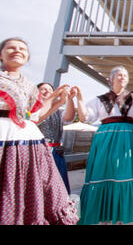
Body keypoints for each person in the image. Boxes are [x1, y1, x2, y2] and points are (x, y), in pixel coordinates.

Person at [0, 37, 78, 225]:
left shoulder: (29, 86)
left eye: (22, 49)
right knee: (7, 189)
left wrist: (57, 100)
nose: (17, 51)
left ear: (27, 58)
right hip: (5, 138)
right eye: (10, 48)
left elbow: (33, 117)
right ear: (1, 55)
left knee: (34, 189)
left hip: (30, 142)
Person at [76, 66, 133, 225]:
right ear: (110, 79)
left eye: (125, 75)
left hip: (127, 138)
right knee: (104, 173)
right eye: (119, 75)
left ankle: (121, 217)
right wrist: (79, 99)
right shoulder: (99, 99)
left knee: (124, 174)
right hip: (106, 139)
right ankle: (104, 216)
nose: (122, 77)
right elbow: (85, 117)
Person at [37, 82, 78, 194]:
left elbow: (68, 117)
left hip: (56, 152)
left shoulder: (58, 110)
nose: (47, 92)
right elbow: (37, 119)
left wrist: (69, 99)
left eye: (50, 90)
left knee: (59, 189)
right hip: (38, 152)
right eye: (43, 89)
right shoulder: (33, 109)